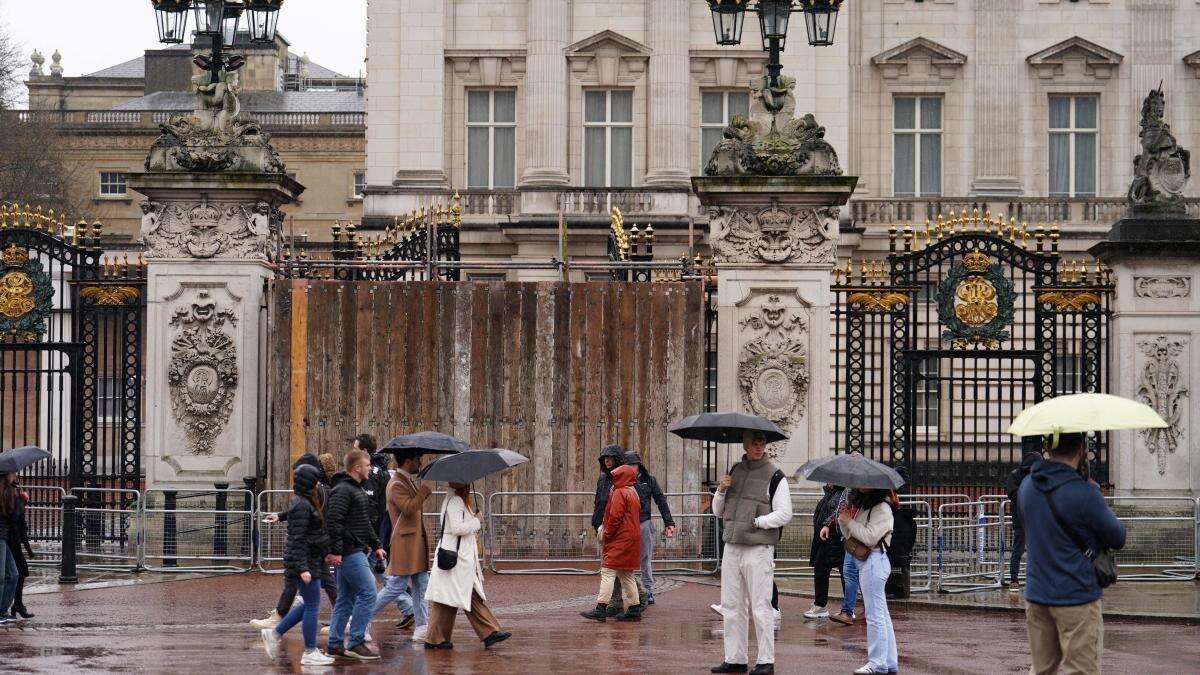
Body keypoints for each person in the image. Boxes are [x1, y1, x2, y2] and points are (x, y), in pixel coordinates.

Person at [1018, 432, 1126, 675]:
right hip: (1076, 595)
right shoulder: (1085, 494)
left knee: (1041, 670)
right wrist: (1094, 495)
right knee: (1080, 670)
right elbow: (1118, 537)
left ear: (1048, 448)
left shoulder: (1028, 486)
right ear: (1080, 450)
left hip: (1036, 595)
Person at [711, 430, 792, 675]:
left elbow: (785, 512)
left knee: (760, 604)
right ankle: (735, 658)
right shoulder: (734, 471)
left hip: (758, 547)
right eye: (754, 443)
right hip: (733, 546)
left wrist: (759, 522)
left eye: (762, 443)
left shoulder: (775, 475)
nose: (759, 447)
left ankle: (766, 661)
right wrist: (721, 490)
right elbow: (717, 511)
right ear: (745, 444)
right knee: (731, 605)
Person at [251, 452, 338, 630]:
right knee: (323, 584)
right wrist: (281, 516)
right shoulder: (316, 491)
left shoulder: (316, 492)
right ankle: (342, 617)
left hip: (309, 547)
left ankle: (281, 620)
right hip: (314, 546)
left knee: (302, 588)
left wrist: (304, 563)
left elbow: (305, 518)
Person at [260, 465, 336, 666]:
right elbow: (298, 539)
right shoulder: (303, 505)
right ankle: (310, 651)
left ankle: (274, 633)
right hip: (306, 562)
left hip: (310, 560)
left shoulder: (301, 502)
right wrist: (303, 568)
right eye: (316, 481)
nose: (318, 484)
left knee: (308, 605)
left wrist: (280, 516)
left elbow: (295, 517)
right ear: (310, 483)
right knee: (312, 606)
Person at [424, 482, 511, 650]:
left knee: (451, 597)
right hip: (457, 558)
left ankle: (438, 638)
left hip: (455, 556)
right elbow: (457, 528)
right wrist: (477, 521)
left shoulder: (453, 499)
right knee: (455, 596)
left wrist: (473, 519)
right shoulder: (456, 501)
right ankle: (488, 632)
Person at [325, 449, 387, 661]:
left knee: (345, 599)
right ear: (357, 468)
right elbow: (333, 522)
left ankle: (334, 645)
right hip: (350, 552)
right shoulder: (343, 490)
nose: (371, 468)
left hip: (355, 550)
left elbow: (364, 523)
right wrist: (336, 551)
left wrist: (376, 544)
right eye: (368, 465)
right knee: (369, 593)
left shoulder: (356, 490)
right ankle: (356, 641)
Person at [373, 449, 433, 642]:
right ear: (408, 461)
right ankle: (359, 617)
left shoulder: (404, 480)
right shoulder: (397, 483)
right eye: (418, 459)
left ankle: (423, 626)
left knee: (421, 585)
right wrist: (424, 491)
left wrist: (422, 492)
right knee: (396, 586)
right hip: (406, 543)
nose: (420, 463)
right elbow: (408, 508)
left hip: (413, 542)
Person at [838, 487, 899, 675]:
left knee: (875, 615)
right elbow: (851, 535)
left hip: (874, 561)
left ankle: (877, 663)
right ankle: (888, 662)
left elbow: (869, 537)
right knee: (881, 614)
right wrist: (843, 520)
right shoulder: (867, 506)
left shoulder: (882, 508)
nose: (860, 487)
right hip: (868, 562)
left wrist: (849, 521)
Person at [581, 463, 644, 622]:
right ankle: (634, 607)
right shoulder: (633, 492)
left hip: (619, 537)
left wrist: (606, 533)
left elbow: (615, 517)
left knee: (608, 571)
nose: (613, 478)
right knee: (626, 573)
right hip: (631, 537)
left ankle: (601, 607)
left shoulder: (619, 492)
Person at [624, 450, 676, 606]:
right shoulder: (621, 481)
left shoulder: (649, 480)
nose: (632, 468)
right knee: (625, 560)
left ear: (639, 465)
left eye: (634, 465)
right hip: (626, 524)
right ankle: (632, 591)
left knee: (645, 557)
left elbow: (661, 500)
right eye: (629, 465)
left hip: (643, 522)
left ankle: (648, 590)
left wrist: (669, 522)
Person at [804, 484, 846, 620]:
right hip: (826, 540)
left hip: (834, 540)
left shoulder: (842, 493)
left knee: (844, 573)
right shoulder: (831, 493)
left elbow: (838, 512)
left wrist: (827, 525)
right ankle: (821, 604)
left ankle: (846, 608)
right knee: (822, 569)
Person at [1004, 452, 1040, 592]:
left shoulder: (1038, 476)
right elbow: (1013, 494)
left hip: (1037, 519)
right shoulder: (1015, 475)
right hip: (1021, 519)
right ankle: (1014, 579)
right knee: (1018, 550)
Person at [4, 477, 33, 619]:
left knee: (18, 572)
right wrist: (20, 503)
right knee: (14, 573)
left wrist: (28, 549)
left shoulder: (14, 494)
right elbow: (13, 517)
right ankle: (13, 605)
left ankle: (17, 604)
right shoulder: (8, 494)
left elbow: (22, 526)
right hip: (8, 540)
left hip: (13, 541)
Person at [0, 472, 22, 624]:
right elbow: (12, 515)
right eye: (13, 474)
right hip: (0, 536)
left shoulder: (8, 491)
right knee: (1, 576)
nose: (15, 476)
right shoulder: (5, 493)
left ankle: (2, 610)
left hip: (4, 537)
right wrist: (19, 500)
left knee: (13, 574)